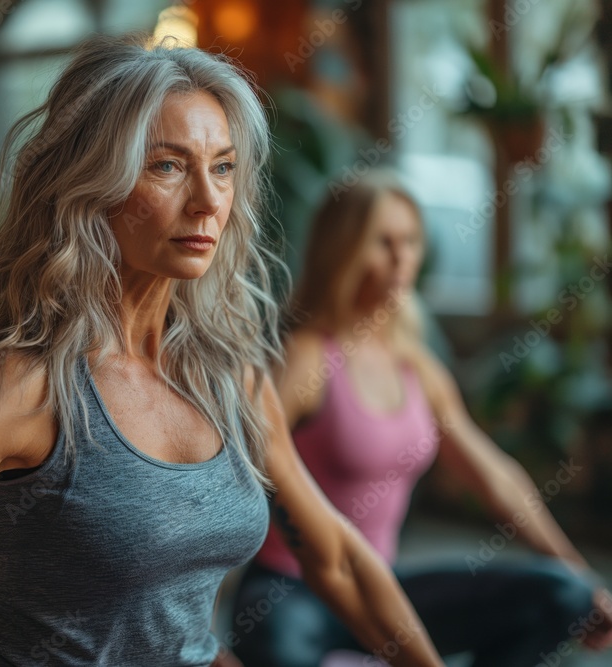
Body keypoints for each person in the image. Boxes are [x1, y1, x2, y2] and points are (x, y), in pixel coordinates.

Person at [0, 35, 447, 667]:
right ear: (94, 183)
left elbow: (336, 559)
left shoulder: (232, 379)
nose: (209, 200)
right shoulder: (25, 387)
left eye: (223, 169)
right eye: (167, 166)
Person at [230, 169, 612, 666]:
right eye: (382, 242)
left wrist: (582, 574)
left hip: (383, 586)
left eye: (410, 241)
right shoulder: (305, 358)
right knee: (274, 648)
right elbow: (239, 470)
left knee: (564, 596)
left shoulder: (417, 366)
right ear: (340, 250)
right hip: (291, 589)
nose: (402, 257)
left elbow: (494, 475)